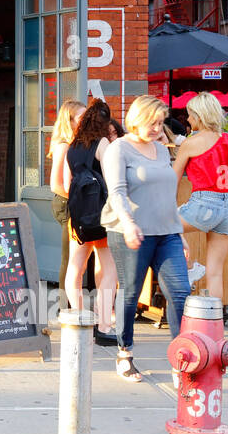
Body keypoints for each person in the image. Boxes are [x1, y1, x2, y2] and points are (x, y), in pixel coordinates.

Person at [101, 95, 191, 383]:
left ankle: (181, 360)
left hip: (166, 233)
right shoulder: (119, 149)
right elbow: (116, 191)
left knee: (180, 294)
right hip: (131, 231)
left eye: (161, 122)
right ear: (136, 119)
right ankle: (124, 353)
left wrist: (179, 232)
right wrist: (128, 224)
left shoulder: (162, 150)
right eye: (152, 122)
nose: (157, 128)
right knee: (130, 293)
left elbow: (167, 195)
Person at [173, 93, 228, 307]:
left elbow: (172, 180)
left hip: (204, 202)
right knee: (215, 272)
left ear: (199, 116)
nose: (187, 120)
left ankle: (190, 269)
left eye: (189, 115)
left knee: (162, 226)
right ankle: (215, 320)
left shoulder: (191, 143)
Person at [63, 100, 117, 344]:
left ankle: (77, 318)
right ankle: (104, 325)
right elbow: (112, 180)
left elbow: (66, 186)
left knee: (76, 268)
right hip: (102, 215)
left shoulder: (72, 148)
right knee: (109, 269)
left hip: (79, 217)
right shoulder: (102, 143)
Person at [49, 99, 86, 292]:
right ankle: (66, 307)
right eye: (82, 117)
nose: (87, 119)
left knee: (76, 257)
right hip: (67, 204)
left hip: (74, 203)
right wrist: (82, 200)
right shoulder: (63, 145)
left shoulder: (77, 143)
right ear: (69, 120)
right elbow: (55, 184)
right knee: (70, 257)